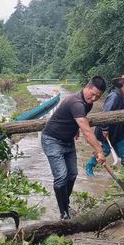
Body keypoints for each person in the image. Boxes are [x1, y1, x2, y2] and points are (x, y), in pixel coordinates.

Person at [41, 76, 107, 219]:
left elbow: (78, 119)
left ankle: (65, 203)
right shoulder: (75, 102)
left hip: (67, 141)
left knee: (72, 174)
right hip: (52, 140)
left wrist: (75, 128)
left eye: (98, 96)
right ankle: (64, 214)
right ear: (87, 87)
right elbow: (88, 132)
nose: (94, 98)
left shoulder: (87, 103)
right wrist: (100, 150)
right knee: (61, 176)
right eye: (93, 93)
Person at [85, 75, 124, 177]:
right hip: (106, 131)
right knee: (103, 151)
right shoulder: (114, 96)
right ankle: (89, 166)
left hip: (119, 132)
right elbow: (105, 114)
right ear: (123, 85)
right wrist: (105, 129)